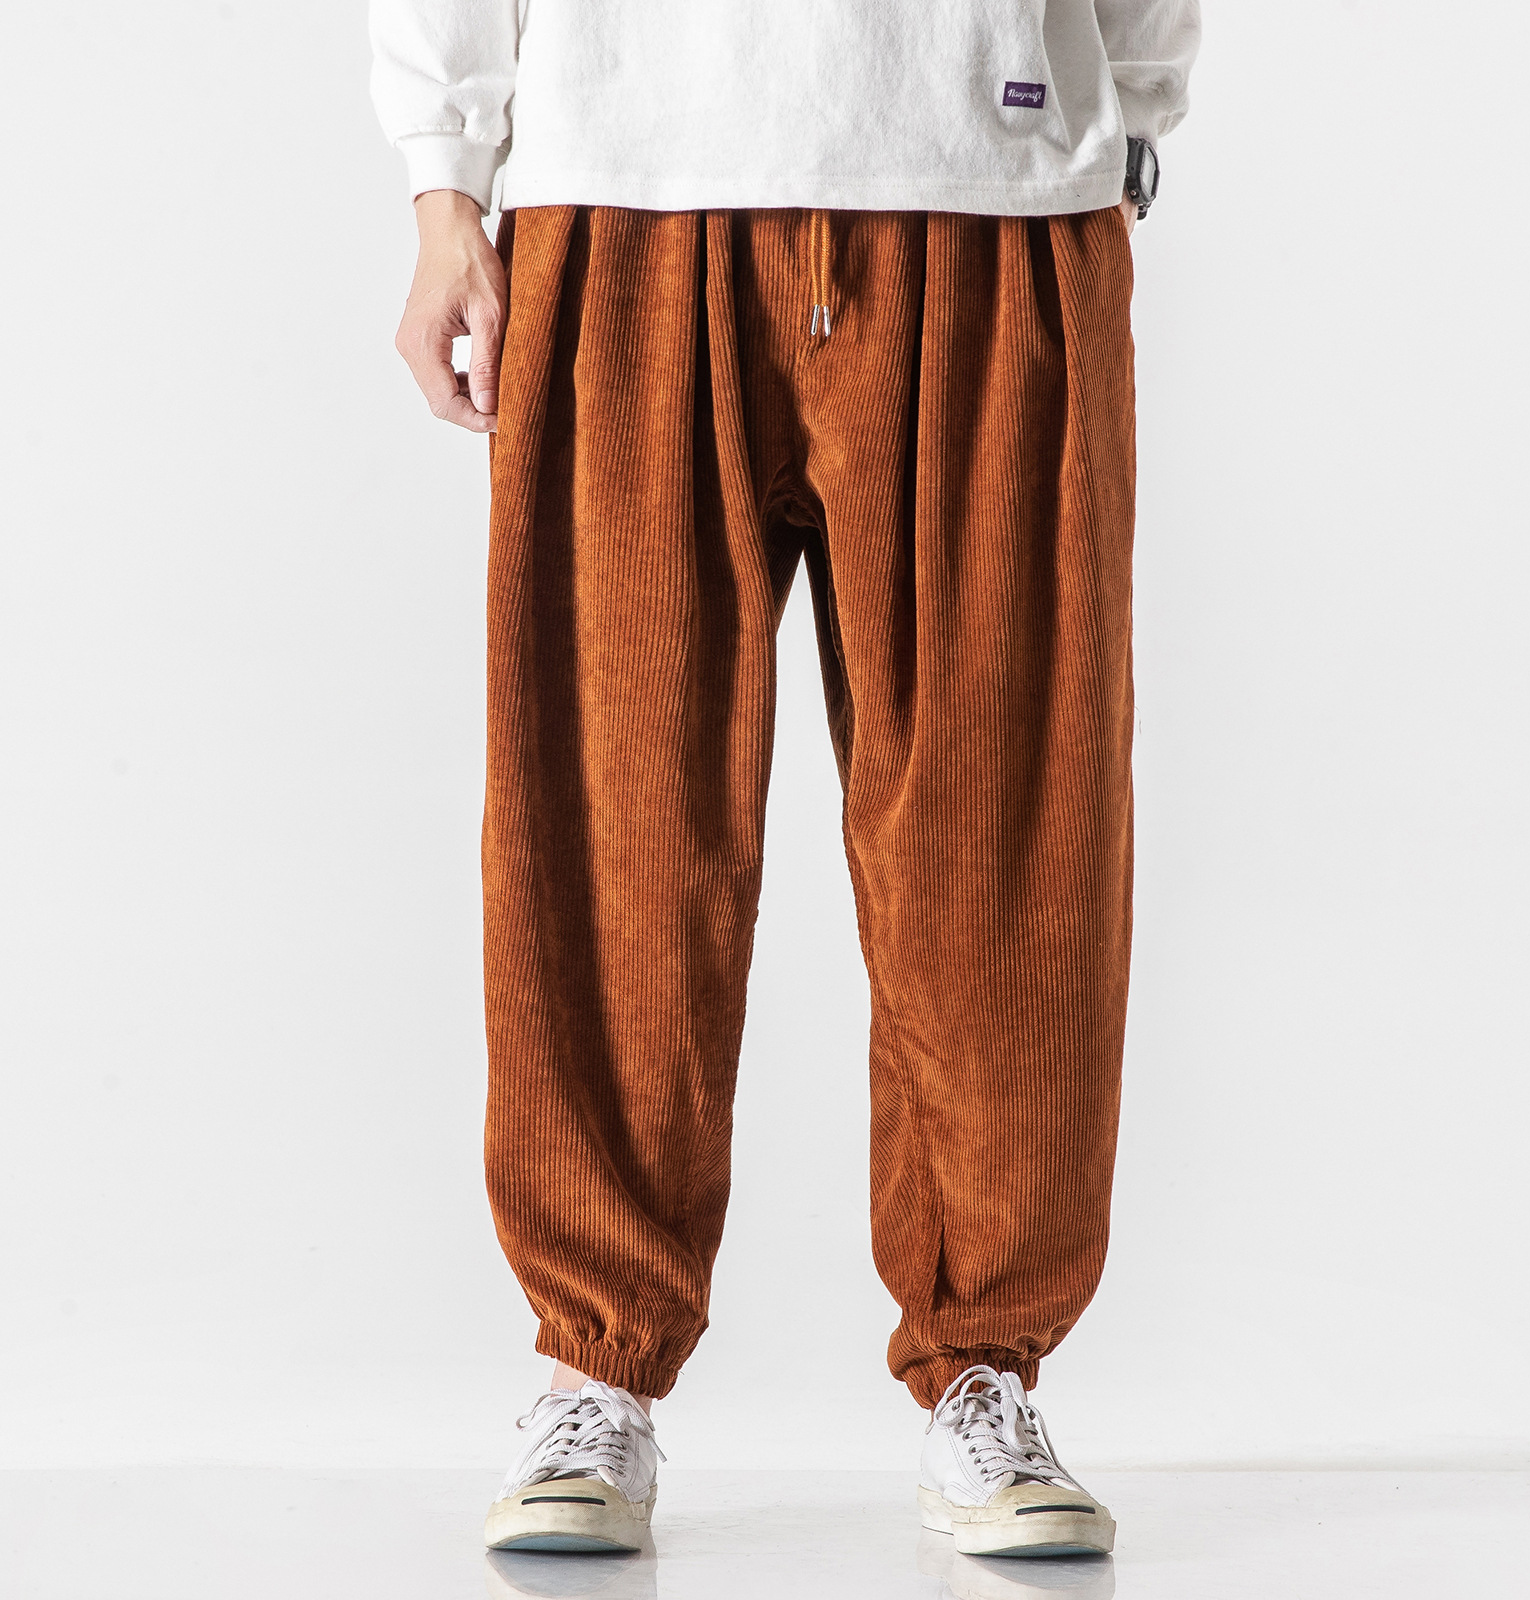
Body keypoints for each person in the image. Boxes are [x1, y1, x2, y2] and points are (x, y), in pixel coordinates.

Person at [370, 0, 1200, 1562]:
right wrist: (443, 181)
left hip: (989, 164)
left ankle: (985, 1365)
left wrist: (1134, 106)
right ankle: (595, 1365)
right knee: (615, 814)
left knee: (1002, 826)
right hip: (628, 180)